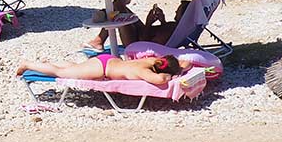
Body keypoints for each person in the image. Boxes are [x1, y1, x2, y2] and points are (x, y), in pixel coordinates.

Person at [16, 52, 183, 85]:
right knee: (61, 73)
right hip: (102, 69)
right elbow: (159, 80)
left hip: (107, 60)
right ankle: (28, 64)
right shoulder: (144, 72)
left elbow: (184, 63)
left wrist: (179, 68)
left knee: (74, 68)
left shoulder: (152, 60)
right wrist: (172, 77)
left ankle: (54, 62)